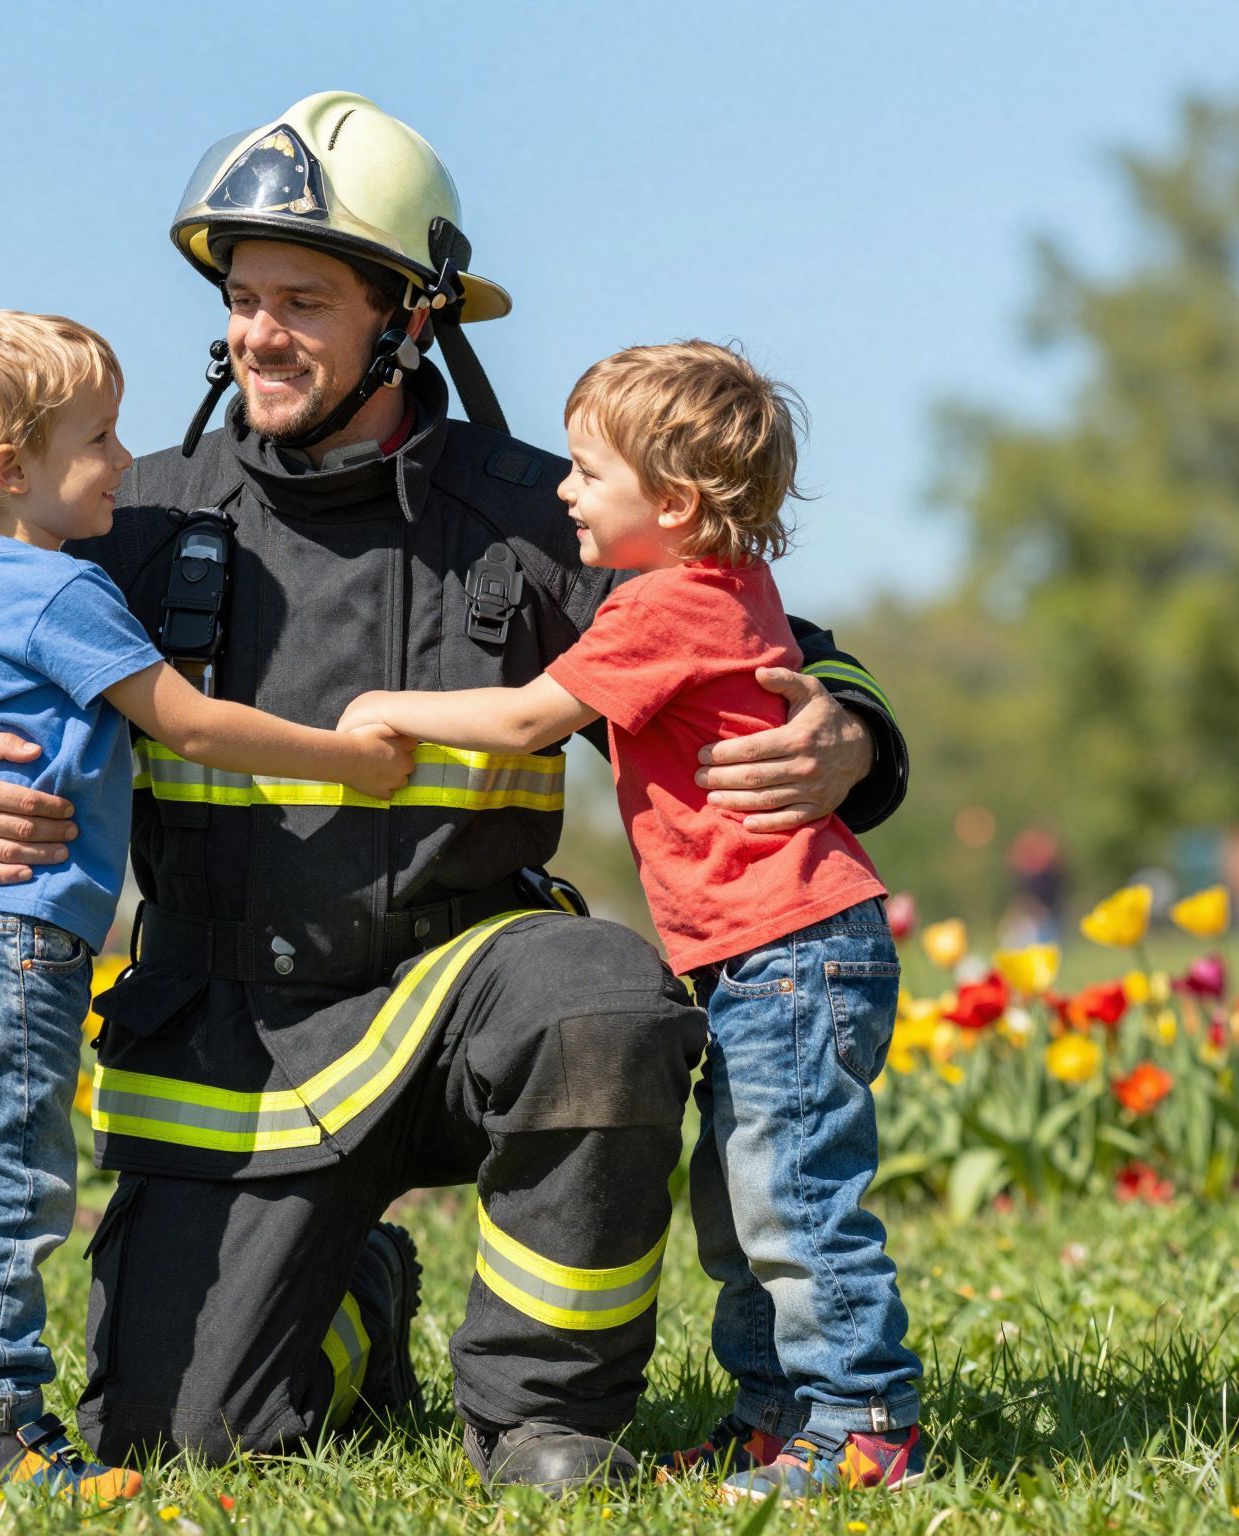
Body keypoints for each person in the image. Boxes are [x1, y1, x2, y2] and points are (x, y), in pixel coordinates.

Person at [0, 91, 911, 1496]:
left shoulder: (545, 513)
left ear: (406, 317)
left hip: (477, 990)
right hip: (234, 1036)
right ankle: (362, 1301)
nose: (256, 332)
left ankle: (541, 1417)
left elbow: (767, 645)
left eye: (303, 299)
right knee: (184, 1436)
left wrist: (846, 733)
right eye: (240, 298)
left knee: (603, 1004)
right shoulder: (133, 515)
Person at [0, 308, 414, 1501]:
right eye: (97, 439)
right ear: (11, 472)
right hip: (11, 938)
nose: (124, 462)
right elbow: (184, 720)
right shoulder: (60, 592)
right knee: (11, 1192)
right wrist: (346, 757)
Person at [339, 340, 924, 1501]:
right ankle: (775, 1418)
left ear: (671, 503)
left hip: (789, 953)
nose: (564, 491)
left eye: (585, 473)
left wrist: (384, 705)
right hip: (780, 953)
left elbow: (521, 720)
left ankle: (863, 1423)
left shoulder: (662, 608)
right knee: (742, 1203)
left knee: (793, 1205)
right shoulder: (731, 586)